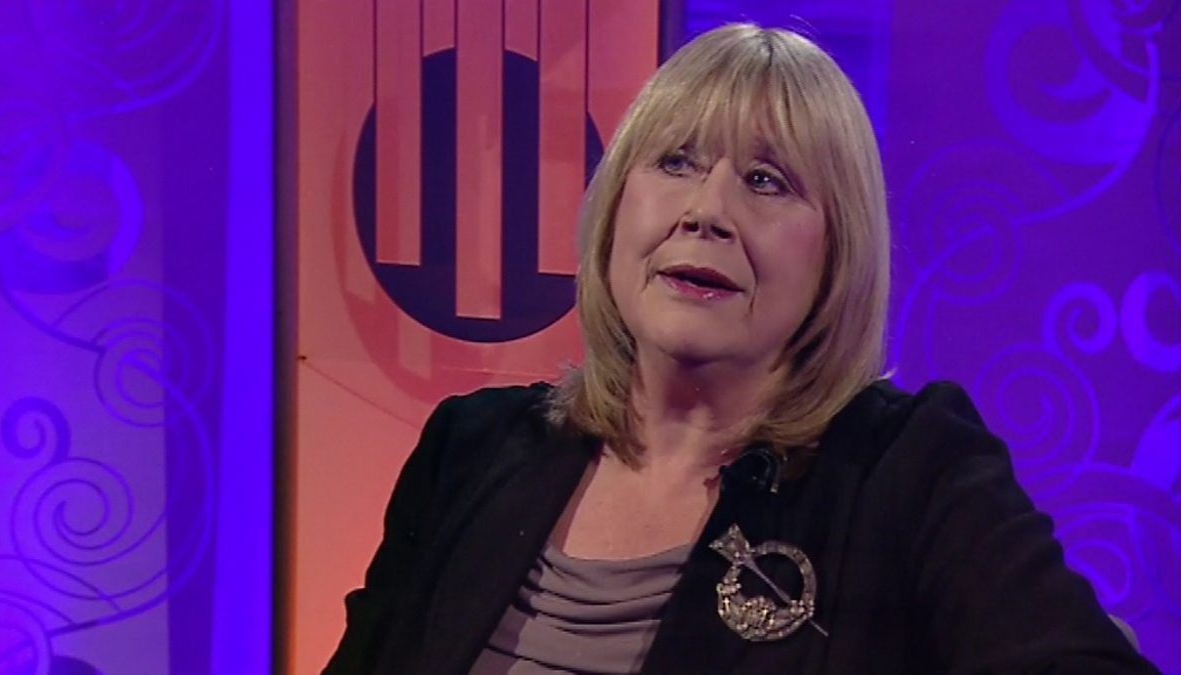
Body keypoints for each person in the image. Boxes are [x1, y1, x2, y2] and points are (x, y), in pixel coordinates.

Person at [324, 23, 1159, 675]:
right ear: (615, 209)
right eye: (676, 162)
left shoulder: (910, 473)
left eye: (767, 181)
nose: (707, 211)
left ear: (836, 252)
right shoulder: (468, 451)